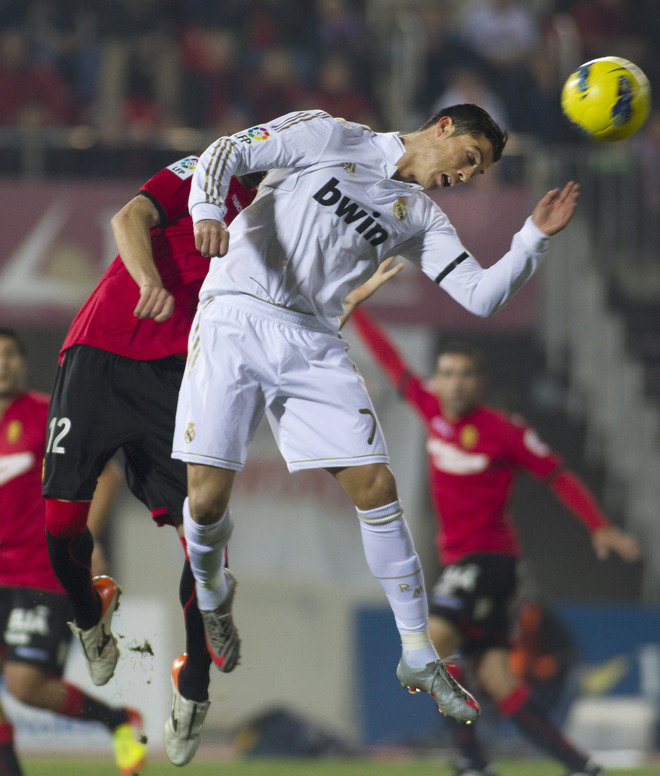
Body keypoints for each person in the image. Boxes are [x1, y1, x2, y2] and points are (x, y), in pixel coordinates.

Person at [173, 104, 580, 723]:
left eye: (478, 174)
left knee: (378, 487)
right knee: (204, 503)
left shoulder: (419, 216)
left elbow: (481, 296)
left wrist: (534, 237)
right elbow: (227, 150)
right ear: (444, 127)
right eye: (469, 159)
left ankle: (418, 651)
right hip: (234, 313)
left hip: (311, 339)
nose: (465, 176)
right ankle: (212, 593)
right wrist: (206, 210)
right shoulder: (331, 134)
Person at [346, 302, 641, 776]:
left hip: (491, 562)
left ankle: (471, 759)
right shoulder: (431, 408)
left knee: (432, 639)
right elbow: (393, 364)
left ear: (480, 384)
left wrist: (598, 525)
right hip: (462, 564)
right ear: (436, 380)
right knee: (499, 684)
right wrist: (356, 310)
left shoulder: (504, 431)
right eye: (447, 373)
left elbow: (557, 473)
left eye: (465, 375)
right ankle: (581, 766)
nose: (455, 383)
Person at [40, 158, 259, 766]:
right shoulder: (213, 171)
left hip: (180, 379)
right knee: (59, 523)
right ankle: (89, 612)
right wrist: (147, 281)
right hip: (104, 346)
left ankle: (193, 688)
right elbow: (129, 215)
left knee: (202, 535)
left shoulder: (292, 222)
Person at [0, 328, 146, 776]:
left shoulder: (46, 414)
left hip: (37, 572)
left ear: (23, 364)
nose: (2, 363)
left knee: (25, 686)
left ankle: (119, 721)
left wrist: (86, 536)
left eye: (10, 354)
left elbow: (107, 474)